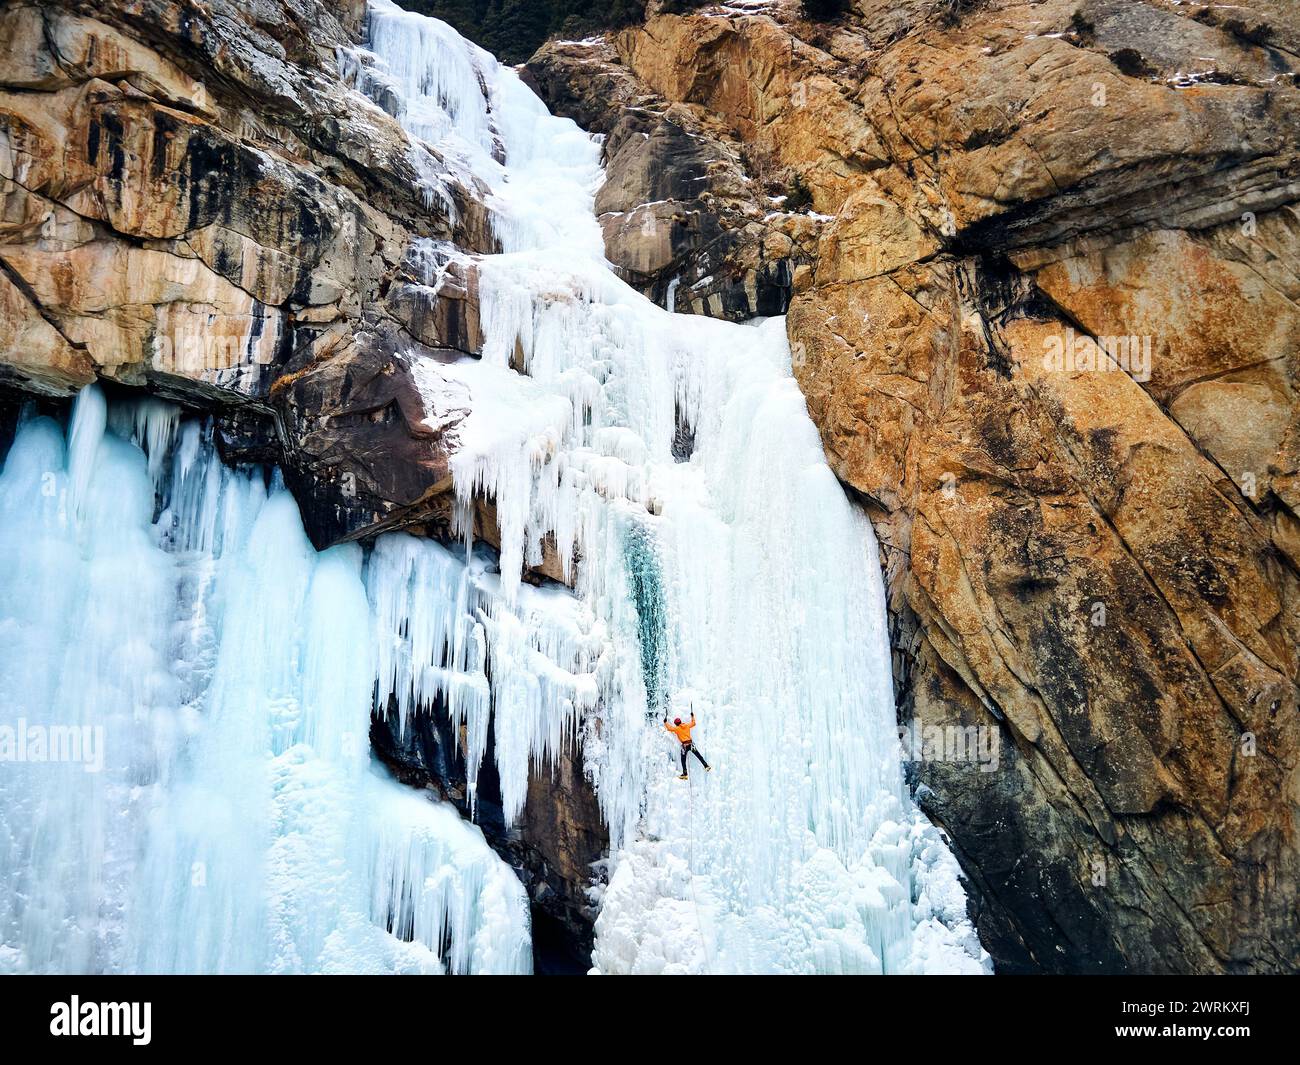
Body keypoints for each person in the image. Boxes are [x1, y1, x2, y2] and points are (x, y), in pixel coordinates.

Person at [664, 711, 711, 780]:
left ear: (676, 724)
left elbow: (669, 728)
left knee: (683, 760)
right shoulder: (687, 726)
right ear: (680, 722)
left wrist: (665, 722)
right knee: (698, 755)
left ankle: (685, 774)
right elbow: (693, 723)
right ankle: (706, 766)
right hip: (691, 744)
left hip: (685, 746)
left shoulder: (677, 728)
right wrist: (692, 716)